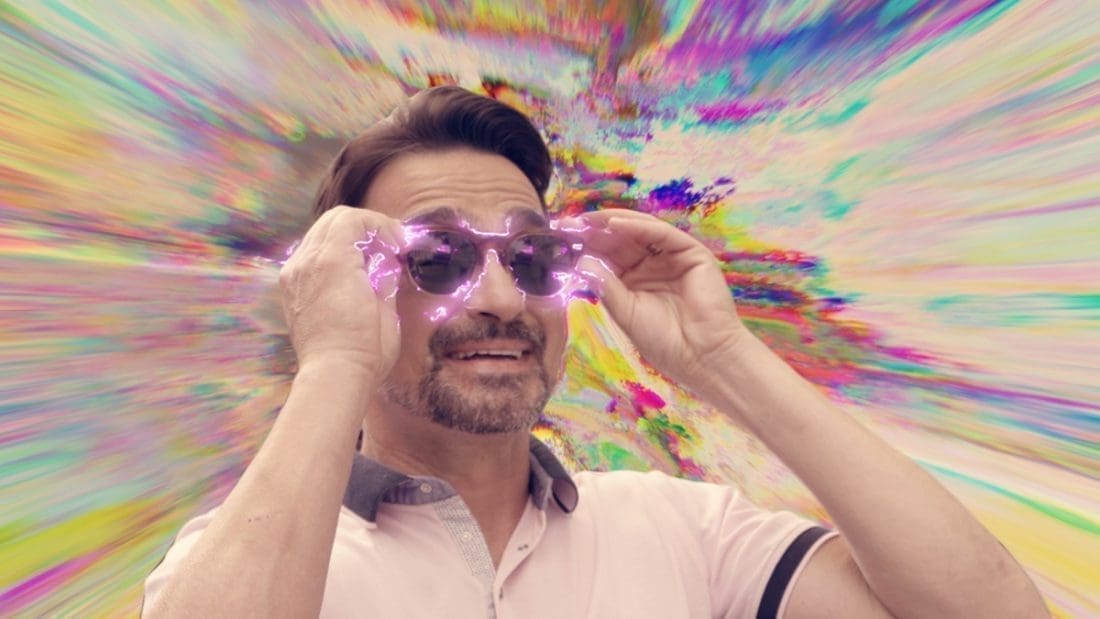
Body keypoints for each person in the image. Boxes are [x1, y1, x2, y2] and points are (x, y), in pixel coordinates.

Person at [142, 86, 1046, 618]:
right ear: (352, 284)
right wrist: (334, 359)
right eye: (439, 257)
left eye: (533, 256)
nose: (502, 299)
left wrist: (722, 357)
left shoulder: (684, 533)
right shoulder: (250, 561)